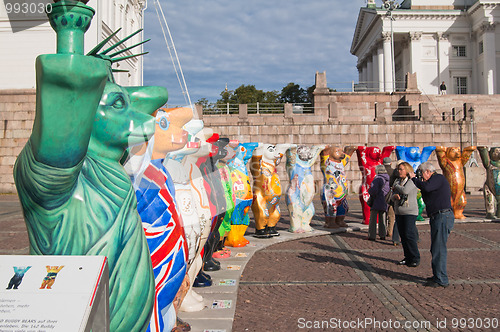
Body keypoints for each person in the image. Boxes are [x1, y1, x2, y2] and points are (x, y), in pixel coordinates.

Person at [410, 161, 454, 287]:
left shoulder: (438, 178)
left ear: (428, 172)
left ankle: (441, 279)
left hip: (442, 216)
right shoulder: (432, 182)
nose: (421, 178)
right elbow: (427, 193)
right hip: (437, 216)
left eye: (422, 174)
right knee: (435, 248)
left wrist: (414, 179)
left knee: (439, 248)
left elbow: (427, 188)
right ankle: (437, 275)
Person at [391, 162, 420, 267]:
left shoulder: (412, 181)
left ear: (407, 170)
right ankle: (407, 257)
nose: (399, 171)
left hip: (409, 212)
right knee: (403, 236)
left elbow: (405, 190)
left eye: (401, 169)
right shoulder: (398, 181)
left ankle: (415, 257)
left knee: (409, 235)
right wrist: (394, 197)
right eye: (398, 169)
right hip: (399, 211)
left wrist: (396, 186)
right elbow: (391, 194)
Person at [367, 165, 390, 241]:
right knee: (383, 218)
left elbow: (373, 190)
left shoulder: (377, 178)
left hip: (377, 200)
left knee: (373, 219)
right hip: (384, 200)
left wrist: (369, 191)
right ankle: (382, 234)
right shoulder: (388, 178)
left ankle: (372, 235)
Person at [383, 157, 401, 246]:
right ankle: (390, 231)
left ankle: (383, 231)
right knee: (392, 215)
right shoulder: (394, 172)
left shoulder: (381, 170)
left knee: (383, 214)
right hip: (392, 195)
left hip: (383, 196)